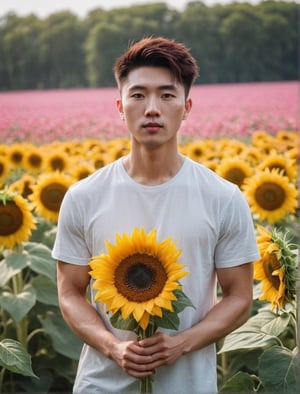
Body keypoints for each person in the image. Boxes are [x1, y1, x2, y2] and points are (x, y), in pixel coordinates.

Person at [52, 36, 260, 394]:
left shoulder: (222, 197)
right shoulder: (84, 196)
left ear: (187, 105)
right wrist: (112, 346)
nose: (152, 108)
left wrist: (182, 342)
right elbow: (69, 292)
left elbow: (240, 297)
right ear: (120, 105)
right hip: (100, 385)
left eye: (166, 95)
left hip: (189, 386)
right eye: (138, 95)